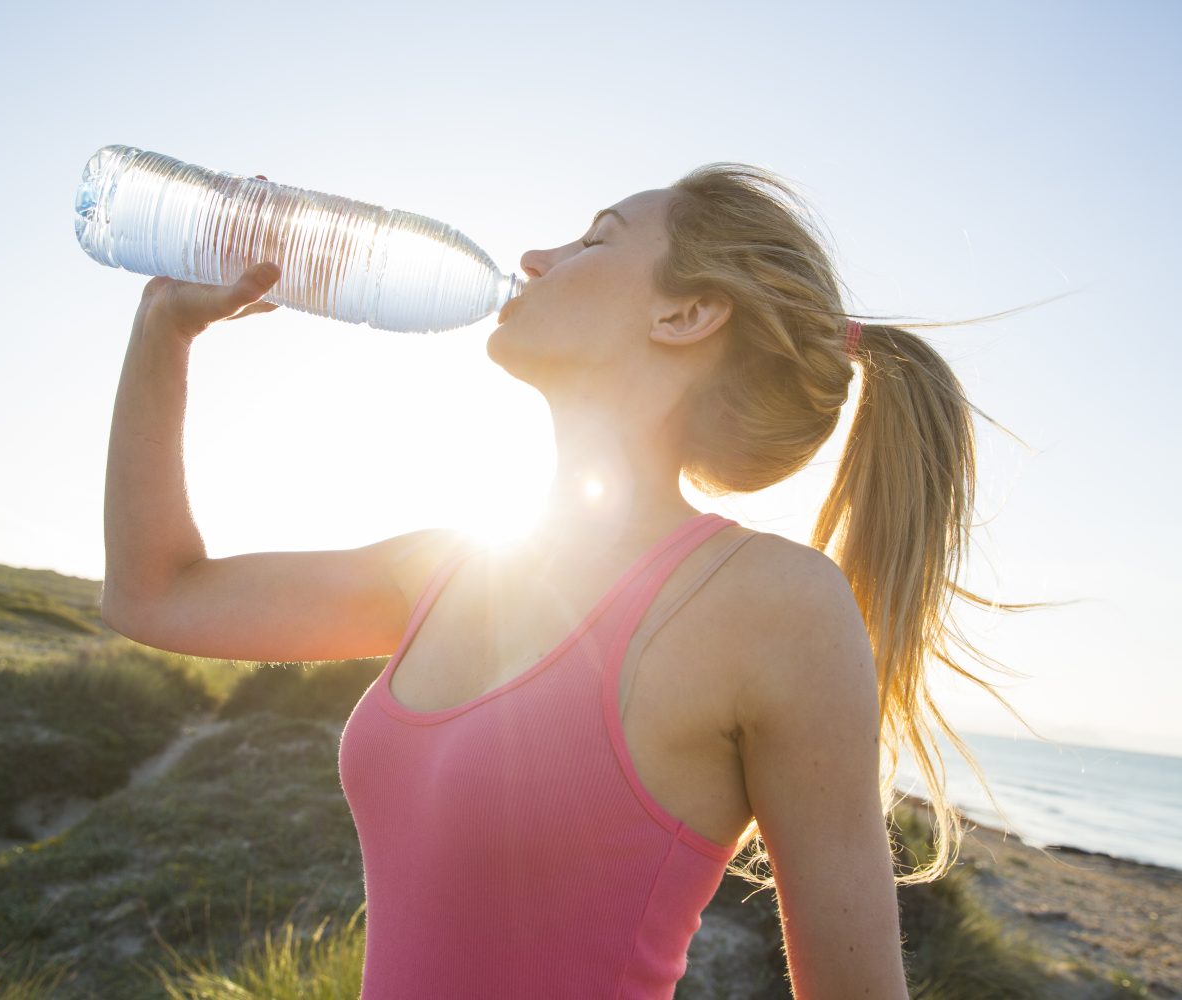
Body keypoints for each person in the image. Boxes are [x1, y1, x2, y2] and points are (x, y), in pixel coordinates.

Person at [101, 163, 1040, 998]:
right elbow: (155, 595)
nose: (536, 255)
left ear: (685, 314)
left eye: (595, 239)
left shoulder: (771, 604)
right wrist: (163, 331)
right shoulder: (452, 564)